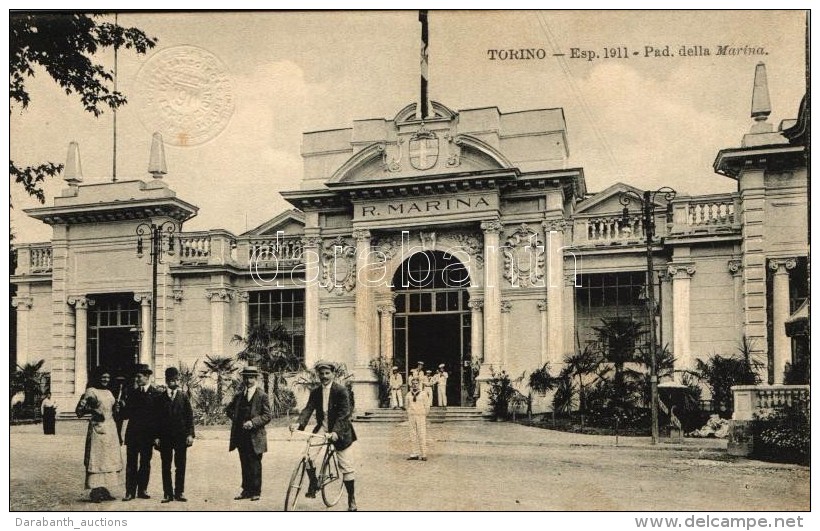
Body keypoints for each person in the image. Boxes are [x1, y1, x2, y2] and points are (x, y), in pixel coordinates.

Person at [290, 360, 358, 511]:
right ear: (318, 375)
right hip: (323, 427)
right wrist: (298, 423)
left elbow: (344, 414)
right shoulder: (315, 392)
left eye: (327, 373)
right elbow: (308, 409)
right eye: (321, 374)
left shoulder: (341, 391)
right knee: (307, 456)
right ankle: (314, 484)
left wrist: (336, 432)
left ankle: (351, 499)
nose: (324, 376)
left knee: (347, 466)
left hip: (340, 430)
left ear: (333, 374)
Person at [75, 372, 122, 503]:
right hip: (97, 428)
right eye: (103, 376)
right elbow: (79, 411)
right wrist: (93, 410)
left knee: (107, 458)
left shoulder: (109, 392)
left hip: (110, 428)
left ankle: (104, 489)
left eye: (107, 377)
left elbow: (112, 410)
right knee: (97, 458)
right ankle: (95, 490)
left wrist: (118, 407)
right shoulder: (90, 391)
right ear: (97, 377)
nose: (105, 379)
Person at [226, 366, 272, 502]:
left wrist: (252, 423)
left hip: (256, 436)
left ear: (256, 378)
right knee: (244, 463)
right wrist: (236, 419)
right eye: (246, 377)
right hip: (241, 436)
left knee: (255, 464)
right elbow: (229, 409)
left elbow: (267, 416)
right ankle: (246, 490)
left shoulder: (262, 395)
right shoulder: (239, 396)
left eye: (251, 377)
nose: (248, 380)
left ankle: (256, 491)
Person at [120, 363, 161, 501]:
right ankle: (130, 492)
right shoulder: (132, 393)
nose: (137, 379)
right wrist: (122, 407)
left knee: (145, 463)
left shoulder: (156, 394)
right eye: (136, 376)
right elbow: (126, 415)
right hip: (133, 435)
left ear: (147, 376)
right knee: (131, 463)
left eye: (139, 376)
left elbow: (158, 418)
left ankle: (142, 489)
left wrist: (156, 436)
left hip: (147, 436)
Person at [155, 367, 195, 503]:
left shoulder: (183, 396)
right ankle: (167, 494)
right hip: (165, 437)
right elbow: (156, 420)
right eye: (170, 380)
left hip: (181, 437)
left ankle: (179, 492)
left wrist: (190, 435)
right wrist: (156, 437)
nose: (173, 382)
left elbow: (190, 417)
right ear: (166, 381)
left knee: (180, 465)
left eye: (176, 379)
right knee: (166, 466)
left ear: (178, 380)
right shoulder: (160, 398)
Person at [405, 377, 430, 461]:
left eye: (416, 383)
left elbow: (427, 406)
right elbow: (406, 405)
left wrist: (423, 414)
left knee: (422, 434)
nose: (414, 385)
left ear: (419, 384)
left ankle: (424, 454)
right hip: (412, 416)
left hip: (420, 416)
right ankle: (414, 454)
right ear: (411, 385)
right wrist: (409, 412)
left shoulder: (423, 394)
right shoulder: (408, 394)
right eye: (413, 384)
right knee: (412, 435)